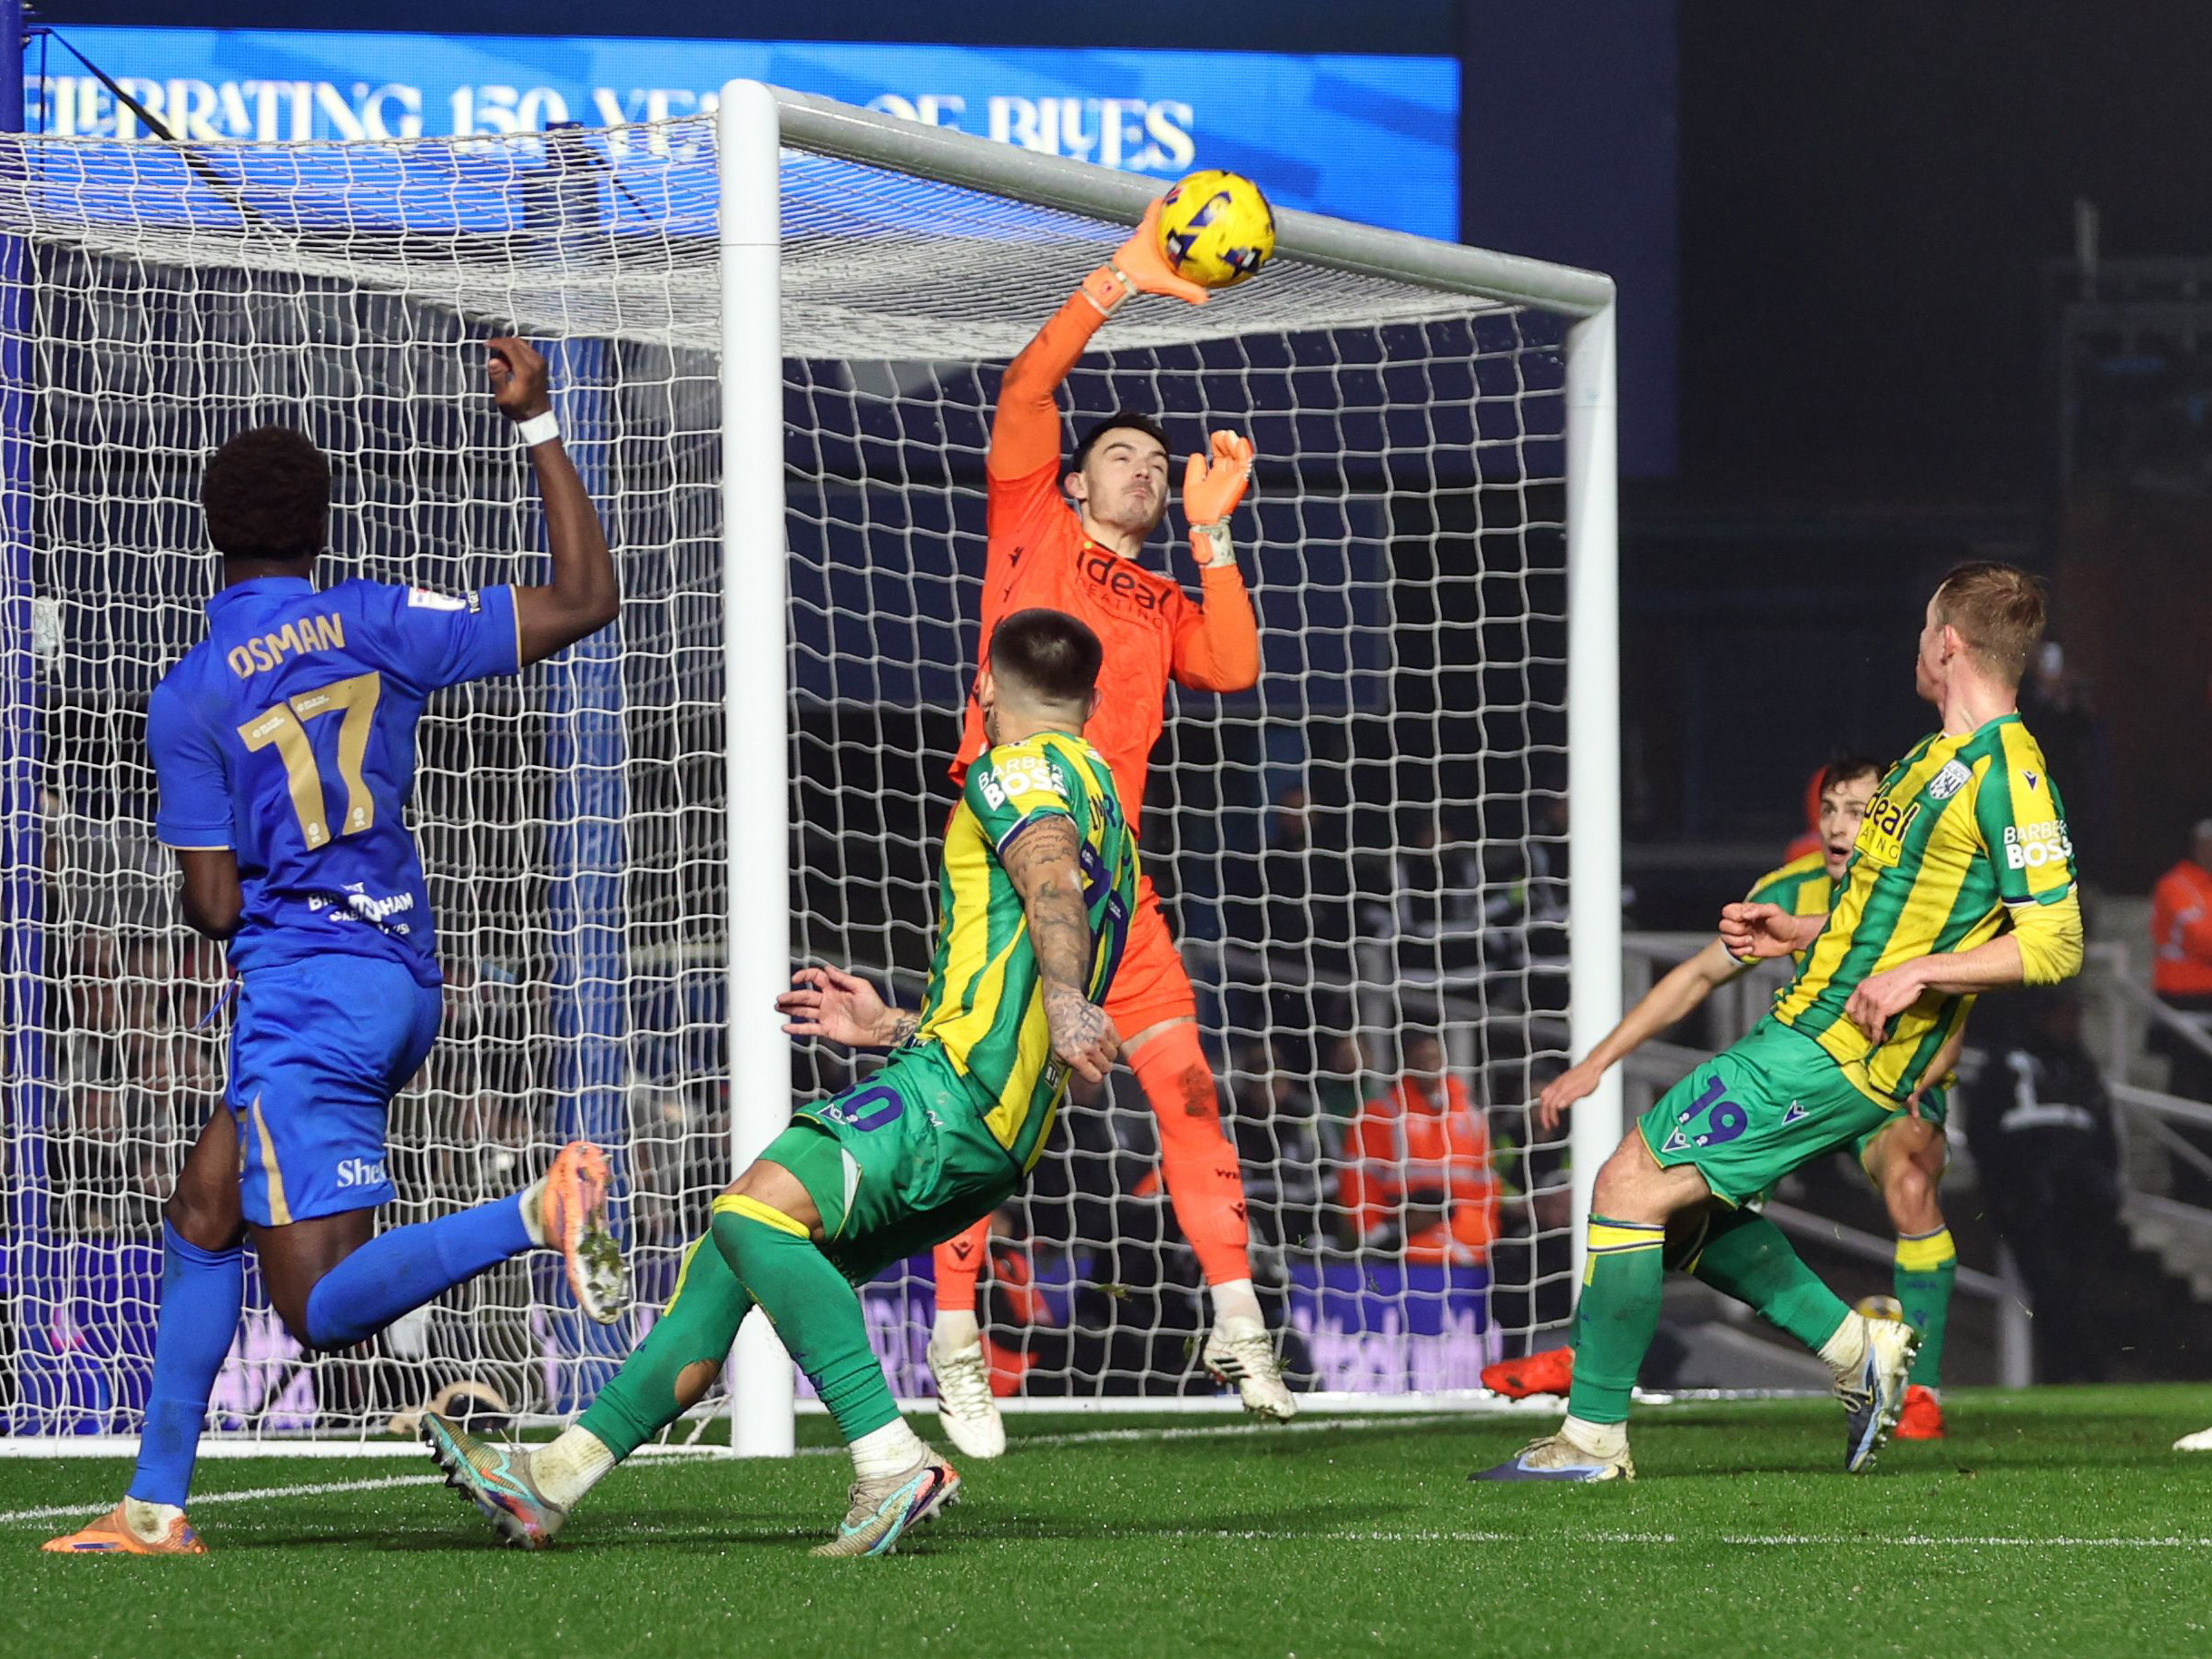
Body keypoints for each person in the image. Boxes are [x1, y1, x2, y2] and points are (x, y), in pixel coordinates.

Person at [45, 339, 630, 1556]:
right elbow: (582, 599)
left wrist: (240, 863)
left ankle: (535, 1211)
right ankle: (156, 1504)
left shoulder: (195, 690)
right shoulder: (372, 618)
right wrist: (536, 424)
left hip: (305, 993)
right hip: (402, 978)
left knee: (313, 1309)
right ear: (319, 528)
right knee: (206, 1205)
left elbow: (211, 907)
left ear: (211, 532)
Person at [420, 609, 1136, 1557]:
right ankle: (552, 1480)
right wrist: (886, 1025)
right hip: (991, 1121)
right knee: (727, 1261)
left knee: (750, 1215)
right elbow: (1020, 959)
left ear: (986, 691)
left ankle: (890, 1460)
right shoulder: (1109, 807)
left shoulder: (1016, 772)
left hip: (951, 1096)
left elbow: (1046, 880)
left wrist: (1062, 994)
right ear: (1091, 699)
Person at [1476, 561, 2082, 1483]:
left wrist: (1919, 973)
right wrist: (1795, 928)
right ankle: (1855, 1351)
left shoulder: (2010, 772)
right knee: (1677, 1213)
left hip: (1833, 1050)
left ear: (1947, 644)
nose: (1915, 645)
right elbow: (1887, 910)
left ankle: (1591, 1438)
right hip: (1807, 1028)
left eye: (1924, 630)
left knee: (1628, 1182)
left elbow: (2055, 941)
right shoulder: (1927, 761)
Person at [923, 194, 1293, 1459]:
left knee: (1187, 1089)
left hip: (1116, 869)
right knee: (993, 1116)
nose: (1141, 466)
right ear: (1074, 478)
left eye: (1155, 459)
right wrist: (1119, 281)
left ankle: (1238, 1323)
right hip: (1017, 840)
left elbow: (1234, 670)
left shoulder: (1159, 586)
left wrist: (1212, 531)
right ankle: (956, 1338)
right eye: (1120, 456)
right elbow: (1031, 389)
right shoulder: (1030, 519)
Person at [1488, 755, 1977, 1438]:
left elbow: (1958, 996)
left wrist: (1925, 1075)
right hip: (1798, 1076)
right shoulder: (1791, 889)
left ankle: (1917, 1393)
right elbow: (1694, 976)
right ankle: (1594, 1352)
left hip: (1891, 1087)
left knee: (1909, 1173)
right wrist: (1593, 1062)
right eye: (1829, 810)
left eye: (1859, 812)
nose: (1839, 827)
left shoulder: (1911, 894)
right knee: (1678, 1198)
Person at [1964, 987, 2121, 1384]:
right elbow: (1982, 1132)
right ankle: (2088, 1372)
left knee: (2074, 1288)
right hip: (2029, 1198)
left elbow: (2104, 1131)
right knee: (2052, 1290)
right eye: (2062, 1015)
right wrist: (2004, 1194)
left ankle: (2068, 1375)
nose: (2070, 1025)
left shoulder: (2079, 1068)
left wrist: (2106, 1185)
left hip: (2078, 1198)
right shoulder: (2007, 1064)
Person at [1342, 1034, 1498, 1264]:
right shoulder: (1378, 1115)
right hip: (1402, 1233)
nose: (1428, 1063)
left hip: (1464, 1233)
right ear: (1405, 1061)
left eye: (1434, 1056)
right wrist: (1377, 1234)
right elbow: (1359, 1181)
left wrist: (1479, 1229)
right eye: (1420, 1056)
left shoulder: (1472, 1118)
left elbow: (1487, 1189)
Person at [2148, 820, 2212, 1104]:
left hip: (2205, 1000)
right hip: (2183, 1000)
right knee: (2188, 1087)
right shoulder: (2175, 886)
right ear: (2198, 847)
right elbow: (2203, 941)